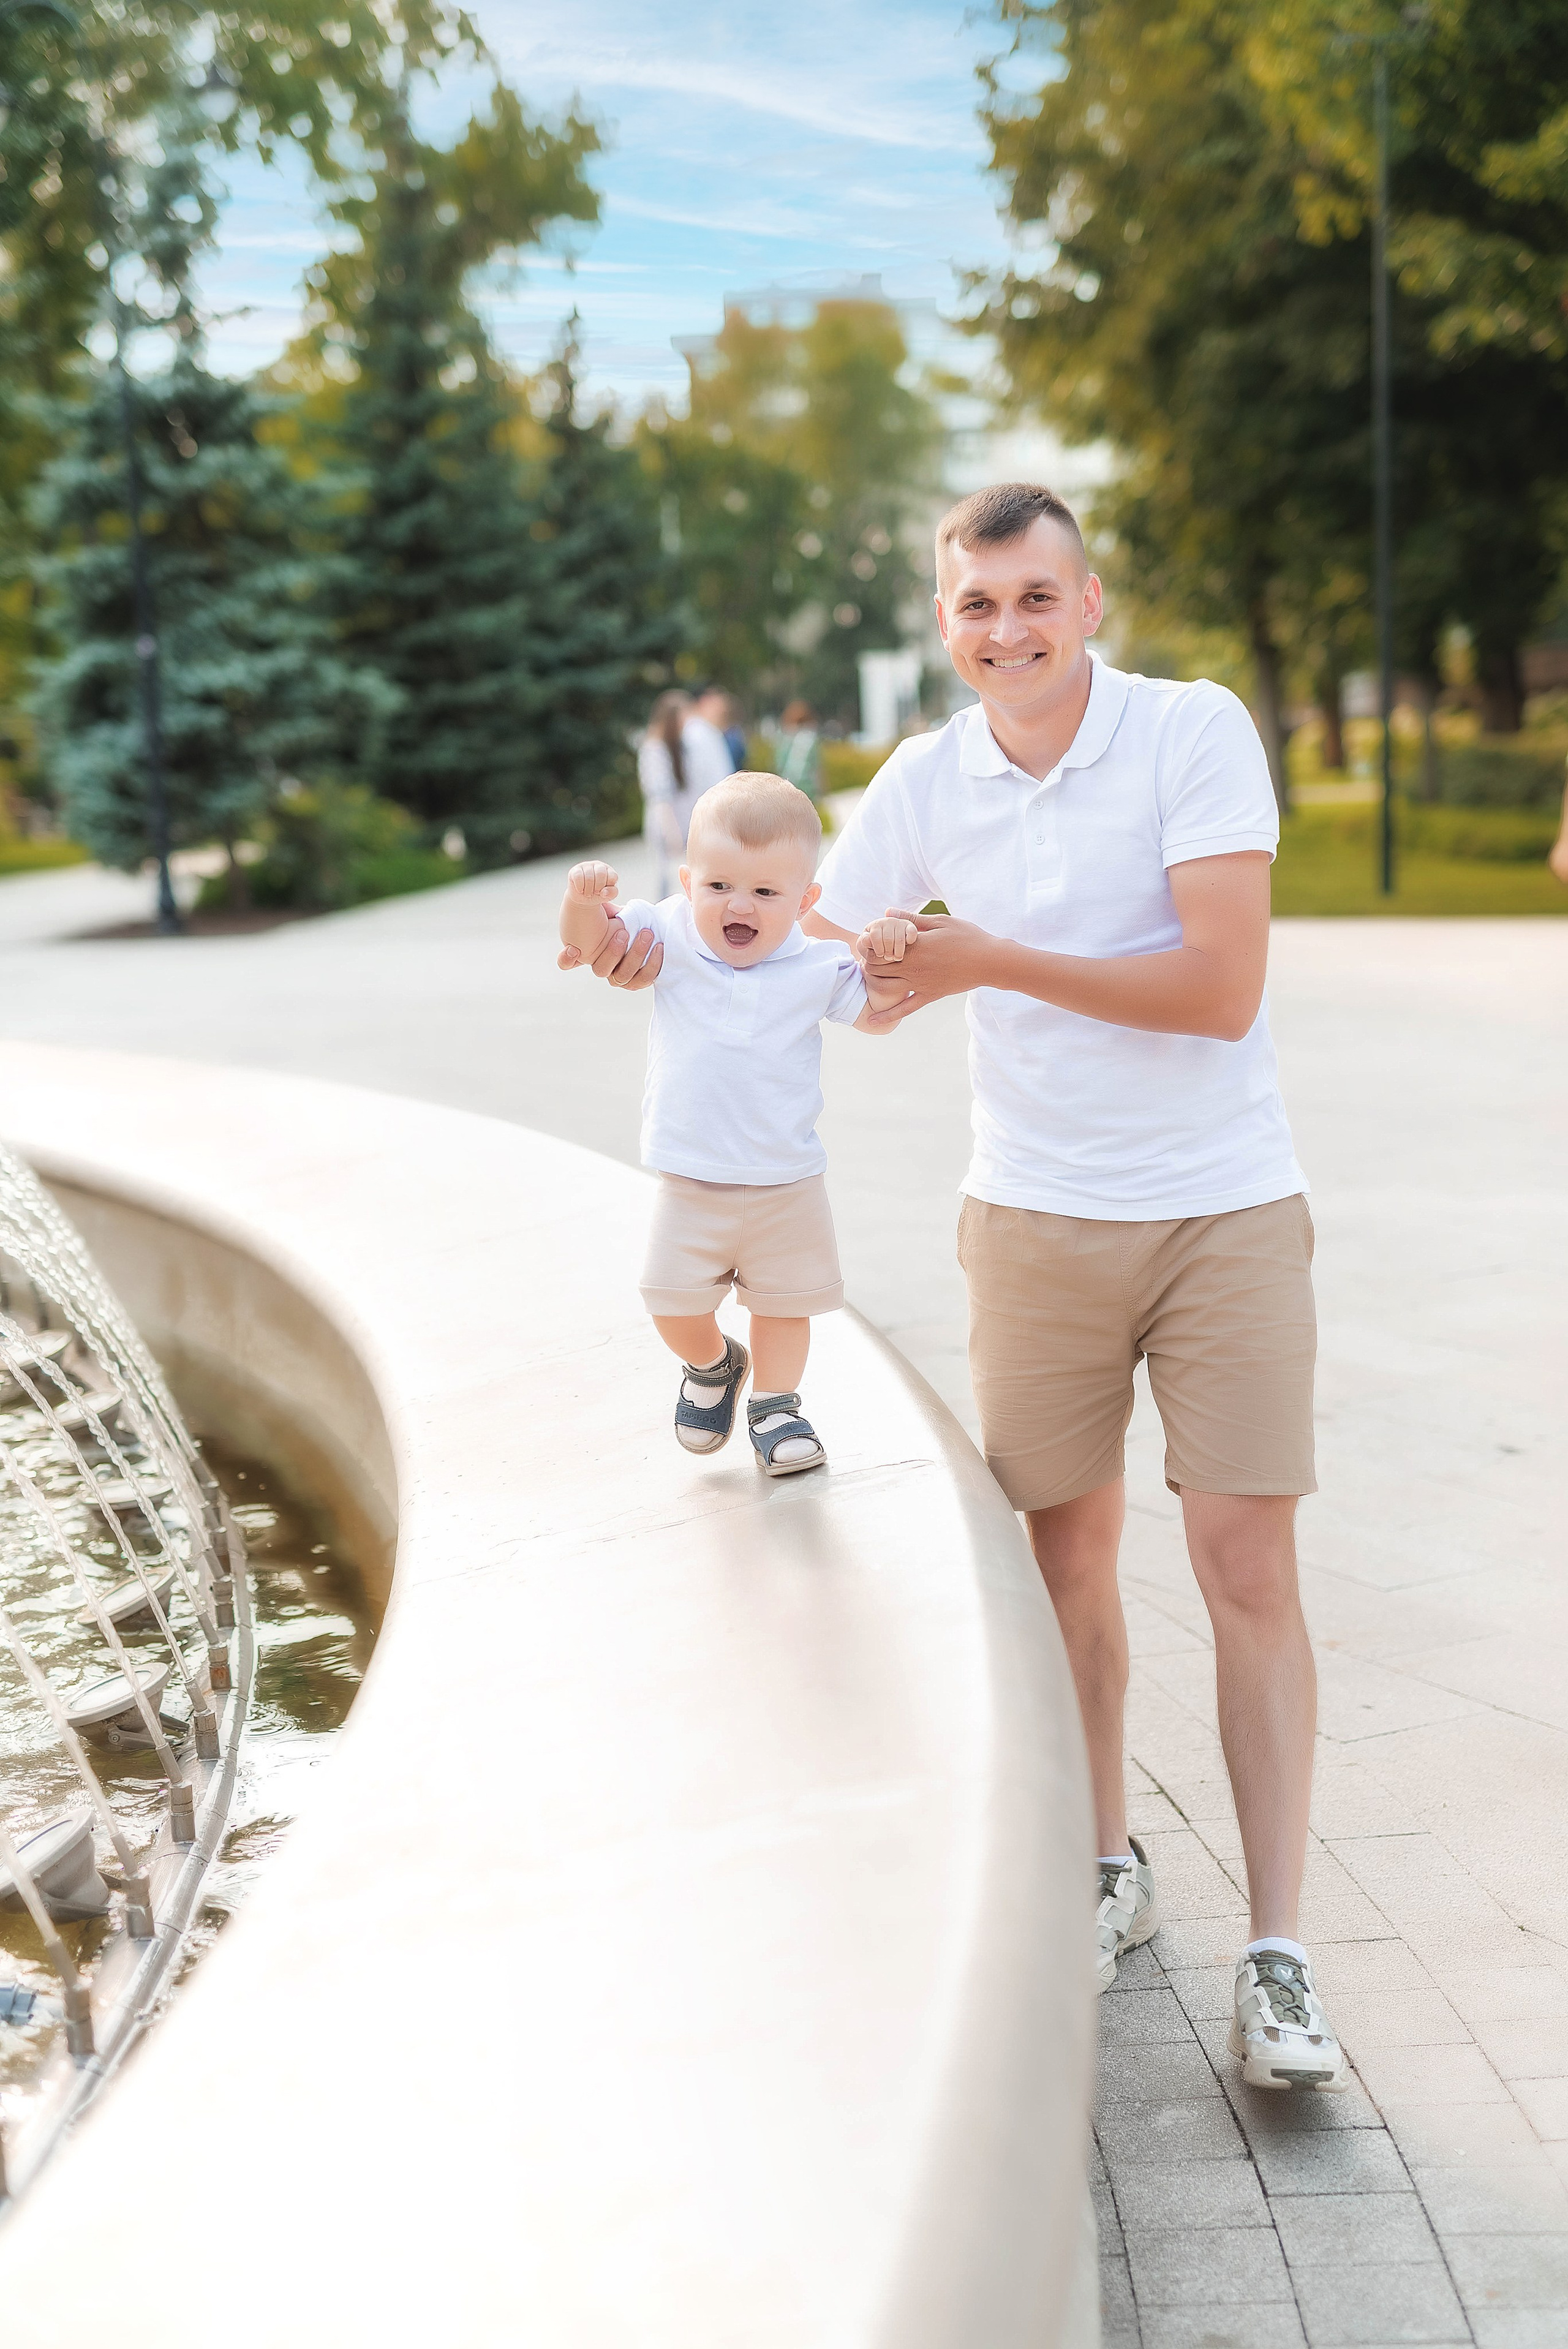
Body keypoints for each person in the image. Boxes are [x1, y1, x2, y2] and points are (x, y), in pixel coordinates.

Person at [556, 772, 910, 1477]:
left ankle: (777, 1406)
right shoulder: (671, 931)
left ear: (805, 901)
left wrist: (891, 955)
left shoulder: (817, 962)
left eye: (765, 893)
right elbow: (593, 944)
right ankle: (714, 1365)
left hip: (786, 1182)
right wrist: (581, 903)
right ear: (688, 882)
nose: (736, 905)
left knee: (784, 1306)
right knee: (669, 1302)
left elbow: (877, 1013)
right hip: (690, 1181)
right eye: (718, 886)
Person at [638, 690, 734, 896]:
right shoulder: (654, 748)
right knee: (667, 881)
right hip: (667, 826)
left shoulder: (680, 747)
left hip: (684, 823)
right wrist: (672, 834)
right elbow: (660, 797)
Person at [774, 700, 823, 802]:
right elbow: (816, 768)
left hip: (788, 787)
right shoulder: (810, 740)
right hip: (808, 789)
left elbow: (779, 765)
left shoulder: (785, 740)